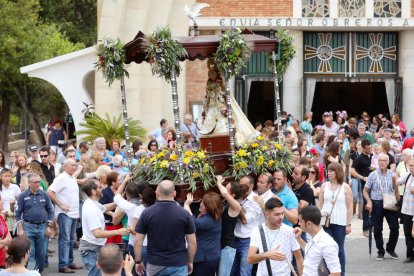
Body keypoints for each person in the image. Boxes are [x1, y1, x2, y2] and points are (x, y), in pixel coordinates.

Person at [134, 180, 196, 276]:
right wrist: (190, 261)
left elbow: (138, 241)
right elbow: (192, 243)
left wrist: (138, 261)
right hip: (178, 263)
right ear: (174, 193)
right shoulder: (185, 214)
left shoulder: (147, 213)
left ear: (157, 193)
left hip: (155, 263)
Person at [79, 181, 129, 276]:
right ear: (93, 191)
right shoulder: (91, 208)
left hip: (93, 249)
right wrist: (118, 231)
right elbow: (97, 233)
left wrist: (120, 200)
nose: (102, 188)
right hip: (91, 250)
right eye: (99, 187)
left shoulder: (93, 203)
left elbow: (105, 207)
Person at [247, 198, 303, 276]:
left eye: (282, 213)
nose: (281, 217)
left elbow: (299, 258)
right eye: (277, 214)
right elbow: (250, 259)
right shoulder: (257, 231)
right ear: (267, 214)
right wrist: (267, 255)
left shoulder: (290, 231)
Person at [47, 159, 83, 273]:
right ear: (65, 166)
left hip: (72, 213)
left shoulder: (71, 177)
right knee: (65, 240)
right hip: (65, 214)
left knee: (71, 239)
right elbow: (50, 191)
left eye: (75, 165)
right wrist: (61, 204)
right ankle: (63, 265)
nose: (74, 167)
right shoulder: (61, 178)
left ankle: (70, 262)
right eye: (72, 165)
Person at [363, 153, 400, 261]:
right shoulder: (372, 175)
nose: (382, 162)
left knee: (395, 227)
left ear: (388, 162)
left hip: (390, 202)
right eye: (380, 160)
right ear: (377, 162)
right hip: (377, 203)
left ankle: (390, 248)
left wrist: (398, 200)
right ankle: (380, 251)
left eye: (384, 160)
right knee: (378, 229)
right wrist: (369, 201)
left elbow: (396, 190)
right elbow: (365, 191)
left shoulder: (392, 174)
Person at [318, 163, 353, 276]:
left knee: (339, 248)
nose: (329, 173)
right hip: (325, 221)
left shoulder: (345, 187)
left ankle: (341, 272)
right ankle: (326, 272)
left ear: (337, 172)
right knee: (325, 248)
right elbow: (320, 205)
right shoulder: (324, 186)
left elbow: (349, 206)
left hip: (340, 221)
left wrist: (348, 224)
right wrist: (319, 222)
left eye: (332, 171)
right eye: (328, 171)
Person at [15, 173, 54, 273]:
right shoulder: (23, 195)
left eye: (39, 182)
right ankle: (31, 273)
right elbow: (18, 213)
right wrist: (20, 229)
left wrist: (49, 226)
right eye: (35, 182)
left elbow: (51, 210)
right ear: (29, 183)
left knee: (42, 253)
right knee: (30, 252)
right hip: (28, 227)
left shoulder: (44, 194)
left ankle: (39, 272)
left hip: (42, 226)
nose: (37, 184)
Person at [293, 206, 341, 276]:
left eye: (300, 221)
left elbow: (336, 273)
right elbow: (310, 251)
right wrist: (299, 239)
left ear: (309, 223)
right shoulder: (311, 235)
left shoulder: (327, 243)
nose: (299, 224)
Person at [184, 192, 222, 275]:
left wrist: (187, 205)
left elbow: (195, 223)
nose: (201, 205)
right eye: (202, 202)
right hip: (206, 258)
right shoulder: (210, 216)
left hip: (206, 259)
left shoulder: (211, 219)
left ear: (211, 208)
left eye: (205, 205)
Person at [230, 175, 262, 276]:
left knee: (244, 272)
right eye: (240, 185)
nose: (241, 188)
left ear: (252, 186)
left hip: (248, 242)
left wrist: (235, 204)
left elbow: (245, 220)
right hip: (234, 240)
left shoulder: (256, 200)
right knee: (232, 272)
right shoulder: (238, 197)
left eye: (244, 185)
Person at [215, 176, 245, 276]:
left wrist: (219, 183)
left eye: (227, 189)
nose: (223, 190)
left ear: (232, 194)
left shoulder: (236, 206)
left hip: (228, 247)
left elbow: (224, 193)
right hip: (220, 245)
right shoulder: (225, 203)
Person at [396, 158, 414, 263]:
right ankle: (410, 255)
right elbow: (397, 182)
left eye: (412, 166)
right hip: (407, 210)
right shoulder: (407, 175)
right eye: (409, 165)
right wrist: (394, 179)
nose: (410, 168)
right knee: (407, 233)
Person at [0, 168, 20, 235]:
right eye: (5, 176)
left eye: (9, 176)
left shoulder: (15, 187)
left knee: (14, 238)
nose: (7, 178)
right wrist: (3, 213)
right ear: (1, 177)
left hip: (13, 217)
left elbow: (19, 201)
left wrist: (14, 212)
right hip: (2, 217)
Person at [0, 194, 11, 269]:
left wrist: (3, 242)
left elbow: (10, 239)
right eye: (0, 200)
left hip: (3, 261)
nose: (2, 201)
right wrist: (5, 241)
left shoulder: (1, 216)